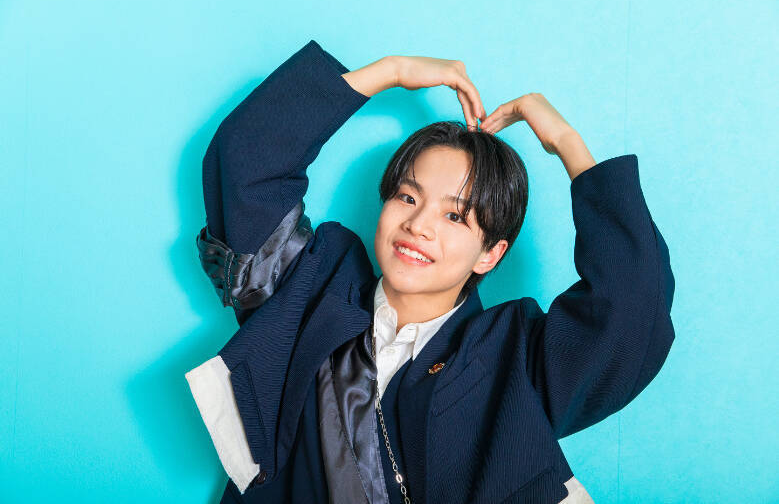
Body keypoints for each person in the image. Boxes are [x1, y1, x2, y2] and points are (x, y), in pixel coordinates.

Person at [185, 40, 675, 504]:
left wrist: (568, 143)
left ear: (490, 254)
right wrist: (389, 72)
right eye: (407, 196)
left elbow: (631, 313)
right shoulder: (315, 286)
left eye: (455, 216)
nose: (418, 225)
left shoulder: (514, 356)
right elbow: (246, 165)